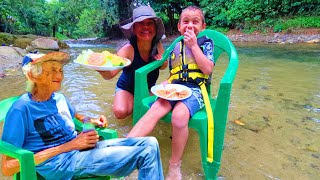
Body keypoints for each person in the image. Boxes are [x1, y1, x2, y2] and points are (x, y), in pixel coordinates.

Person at [1, 52, 164, 180]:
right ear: (33, 75)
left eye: (60, 70)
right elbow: (8, 166)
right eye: (52, 71)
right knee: (146, 154)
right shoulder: (21, 109)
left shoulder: (58, 98)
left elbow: (78, 117)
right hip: (61, 165)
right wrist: (71, 145)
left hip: (80, 150)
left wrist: (91, 121)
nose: (59, 76)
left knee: (151, 143)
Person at [127, 6, 214, 180]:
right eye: (185, 21)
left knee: (179, 116)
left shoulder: (205, 42)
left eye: (195, 22)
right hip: (175, 88)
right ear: (180, 26)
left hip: (196, 90)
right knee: (155, 109)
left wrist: (194, 46)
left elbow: (207, 69)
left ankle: (174, 165)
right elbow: (174, 71)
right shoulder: (176, 45)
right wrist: (167, 81)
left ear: (203, 26)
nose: (190, 25)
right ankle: (125, 147)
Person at [98, 5, 167, 119]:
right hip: (127, 89)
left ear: (155, 28)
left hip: (148, 88)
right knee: (121, 112)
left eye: (149, 23)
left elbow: (164, 66)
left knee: (154, 112)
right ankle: (128, 101)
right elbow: (110, 75)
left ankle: (136, 103)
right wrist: (100, 67)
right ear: (134, 29)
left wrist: (160, 61)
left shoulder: (158, 44)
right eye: (140, 23)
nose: (145, 27)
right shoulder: (127, 49)